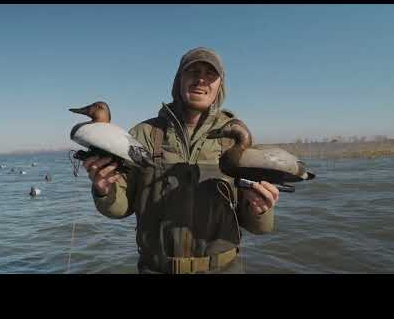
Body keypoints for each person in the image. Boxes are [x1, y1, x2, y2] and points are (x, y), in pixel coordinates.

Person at [83, 47, 279, 274]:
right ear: (179, 80)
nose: (201, 80)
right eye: (193, 71)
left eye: (210, 74)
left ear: (219, 85)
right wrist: (103, 190)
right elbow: (120, 208)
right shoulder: (142, 135)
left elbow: (259, 227)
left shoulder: (236, 138)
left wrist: (261, 208)